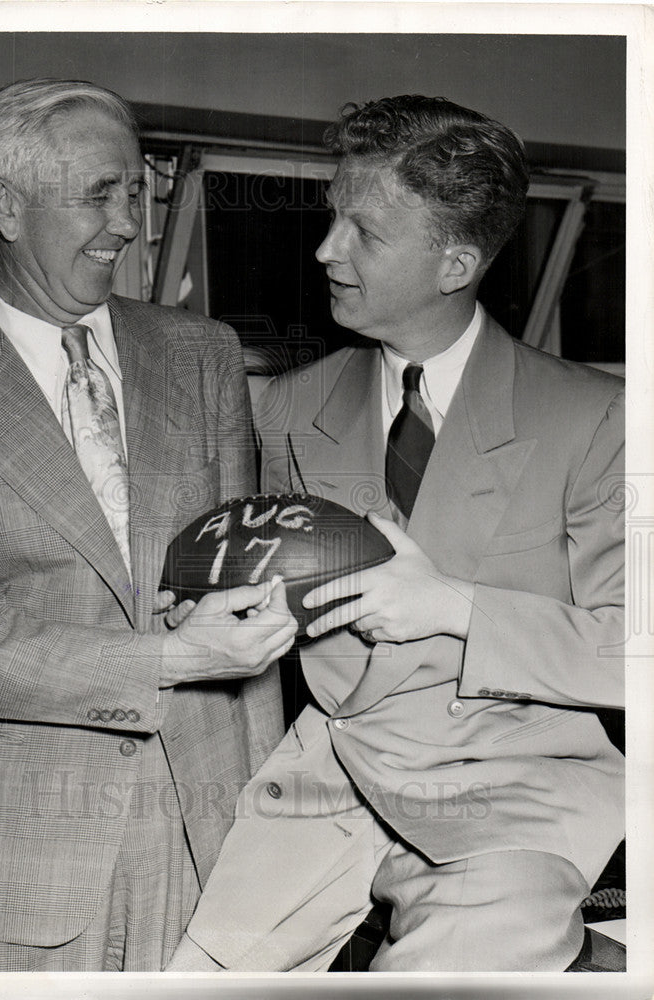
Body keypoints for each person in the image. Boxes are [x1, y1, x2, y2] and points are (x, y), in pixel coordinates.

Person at [167, 95, 625, 972]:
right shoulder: (292, 406)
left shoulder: (596, 417)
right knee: (193, 977)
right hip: (328, 780)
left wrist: (450, 606)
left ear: (454, 262)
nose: (324, 248)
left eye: (362, 231)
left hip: (512, 792)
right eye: (331, 215)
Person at [0, 78, 297, 972]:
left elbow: (240, 577)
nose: (129, 222)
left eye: (135, 192)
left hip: (214, 840)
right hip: (19, 866)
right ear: (5, 207)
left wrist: (267, 823)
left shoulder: (202, 353)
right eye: (100, 193)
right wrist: (177, 658)